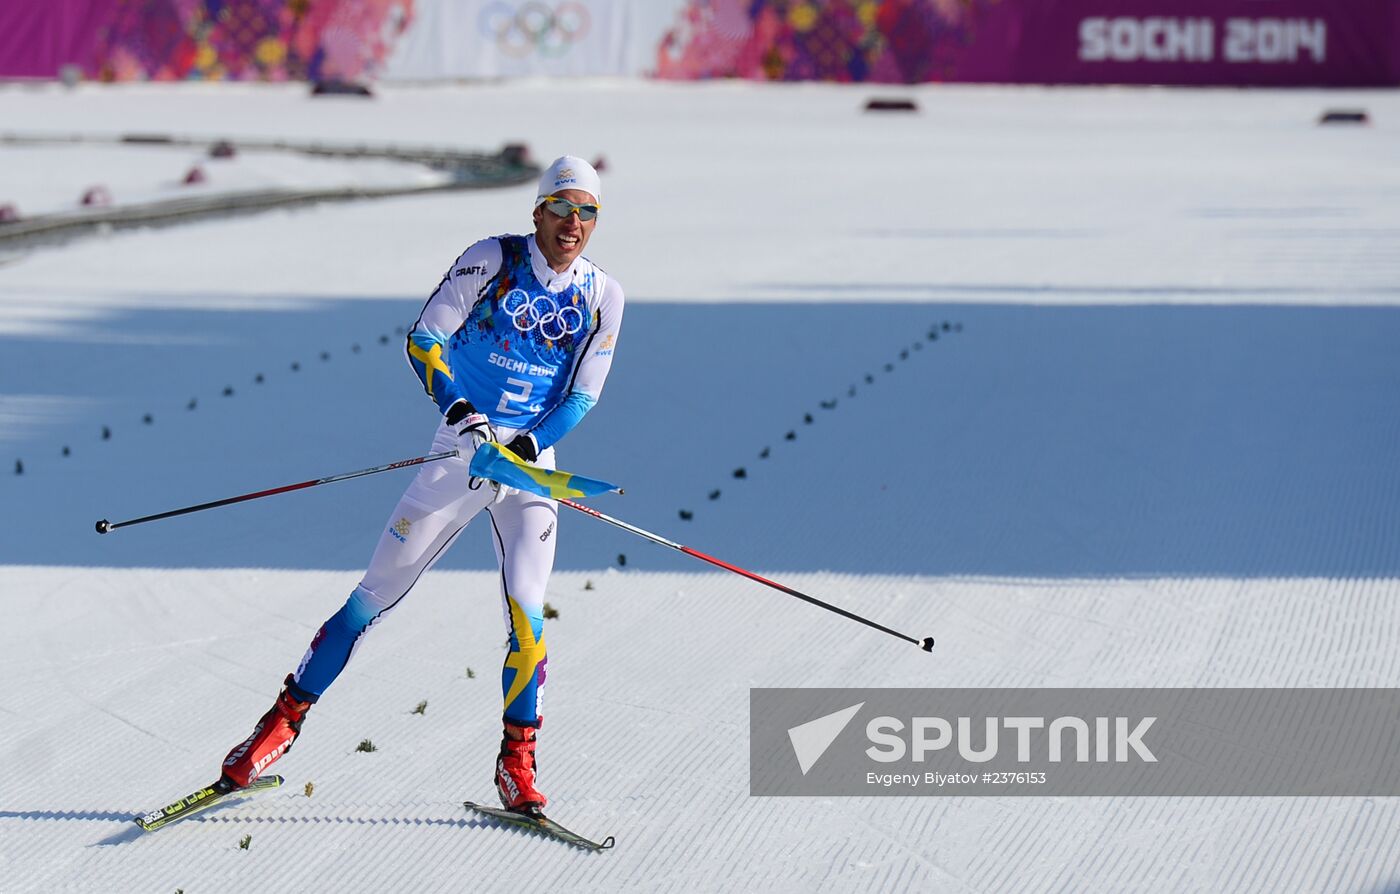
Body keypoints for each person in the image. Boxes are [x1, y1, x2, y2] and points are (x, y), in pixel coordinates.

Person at [217, 156, 623, 817]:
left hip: (527, 465)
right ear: (538, 210)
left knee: (529, 615)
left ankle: (517, 765)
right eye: (562, 207)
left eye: (587, 212)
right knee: (370, 598)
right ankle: (279, 728)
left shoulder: (604, 295)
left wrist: (524, 443)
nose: (573, 223)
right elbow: (425, 340)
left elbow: (583, 394)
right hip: (461, 452)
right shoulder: (492, 258)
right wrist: (462, 413)